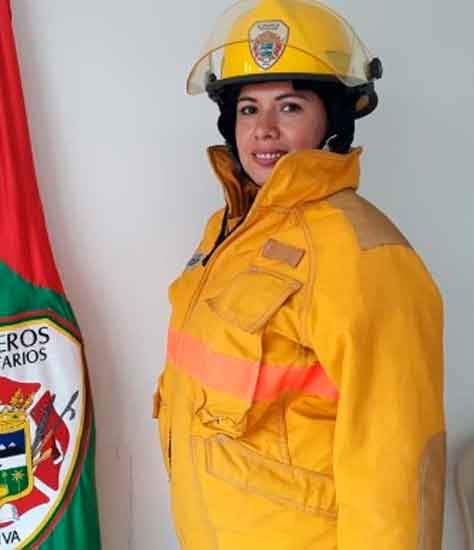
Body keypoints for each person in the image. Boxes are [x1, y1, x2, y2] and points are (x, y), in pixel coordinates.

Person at [152, 1, 445, 548]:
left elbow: (396, 469)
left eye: (289, 106)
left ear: (331, 120)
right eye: (247, 108)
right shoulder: (228, 230)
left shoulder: (367, 255)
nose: (263, 130)